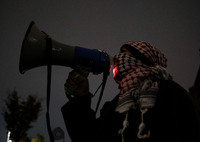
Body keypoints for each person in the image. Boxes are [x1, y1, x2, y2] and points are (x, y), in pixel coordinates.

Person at [61, 41, 200, 142]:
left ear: (143, 59)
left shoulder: (170, 92)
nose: (118, 59)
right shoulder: (115, 105)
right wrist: (81, 97)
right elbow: (88, 137)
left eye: (124, 54)